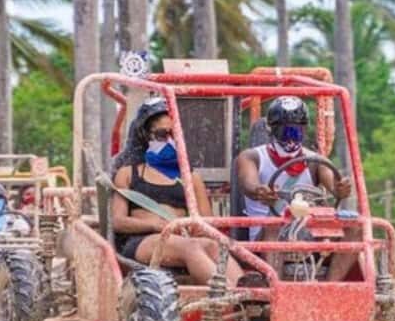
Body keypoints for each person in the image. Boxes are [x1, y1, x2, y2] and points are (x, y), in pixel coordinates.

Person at [112, 97, 242, 286]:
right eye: (162, 135)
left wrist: (196, 227)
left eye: (175, 134)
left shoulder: (190, 176)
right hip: (142, 240)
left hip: (183, 237)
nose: (170, 141)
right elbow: (118, 221)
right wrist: (156, 226)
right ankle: (233, 297)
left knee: (215, 247)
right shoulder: (129, 173)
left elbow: (206, 221)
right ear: (145, 136)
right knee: (191, 248)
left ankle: (253, 296)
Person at [236, 96, 357, 281]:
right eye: (285, 131)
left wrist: (340, 189)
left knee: (357, 228)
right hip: (265, 238)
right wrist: (259, 191)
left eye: (296, 131)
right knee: (275, 224)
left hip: (308, 233)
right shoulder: (252, 157)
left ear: (304, 130)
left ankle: (331, 287)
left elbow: (333, 184)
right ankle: (276, 291)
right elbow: (248, 183)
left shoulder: (315, 161)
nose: (291, 138)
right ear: (271, 129)